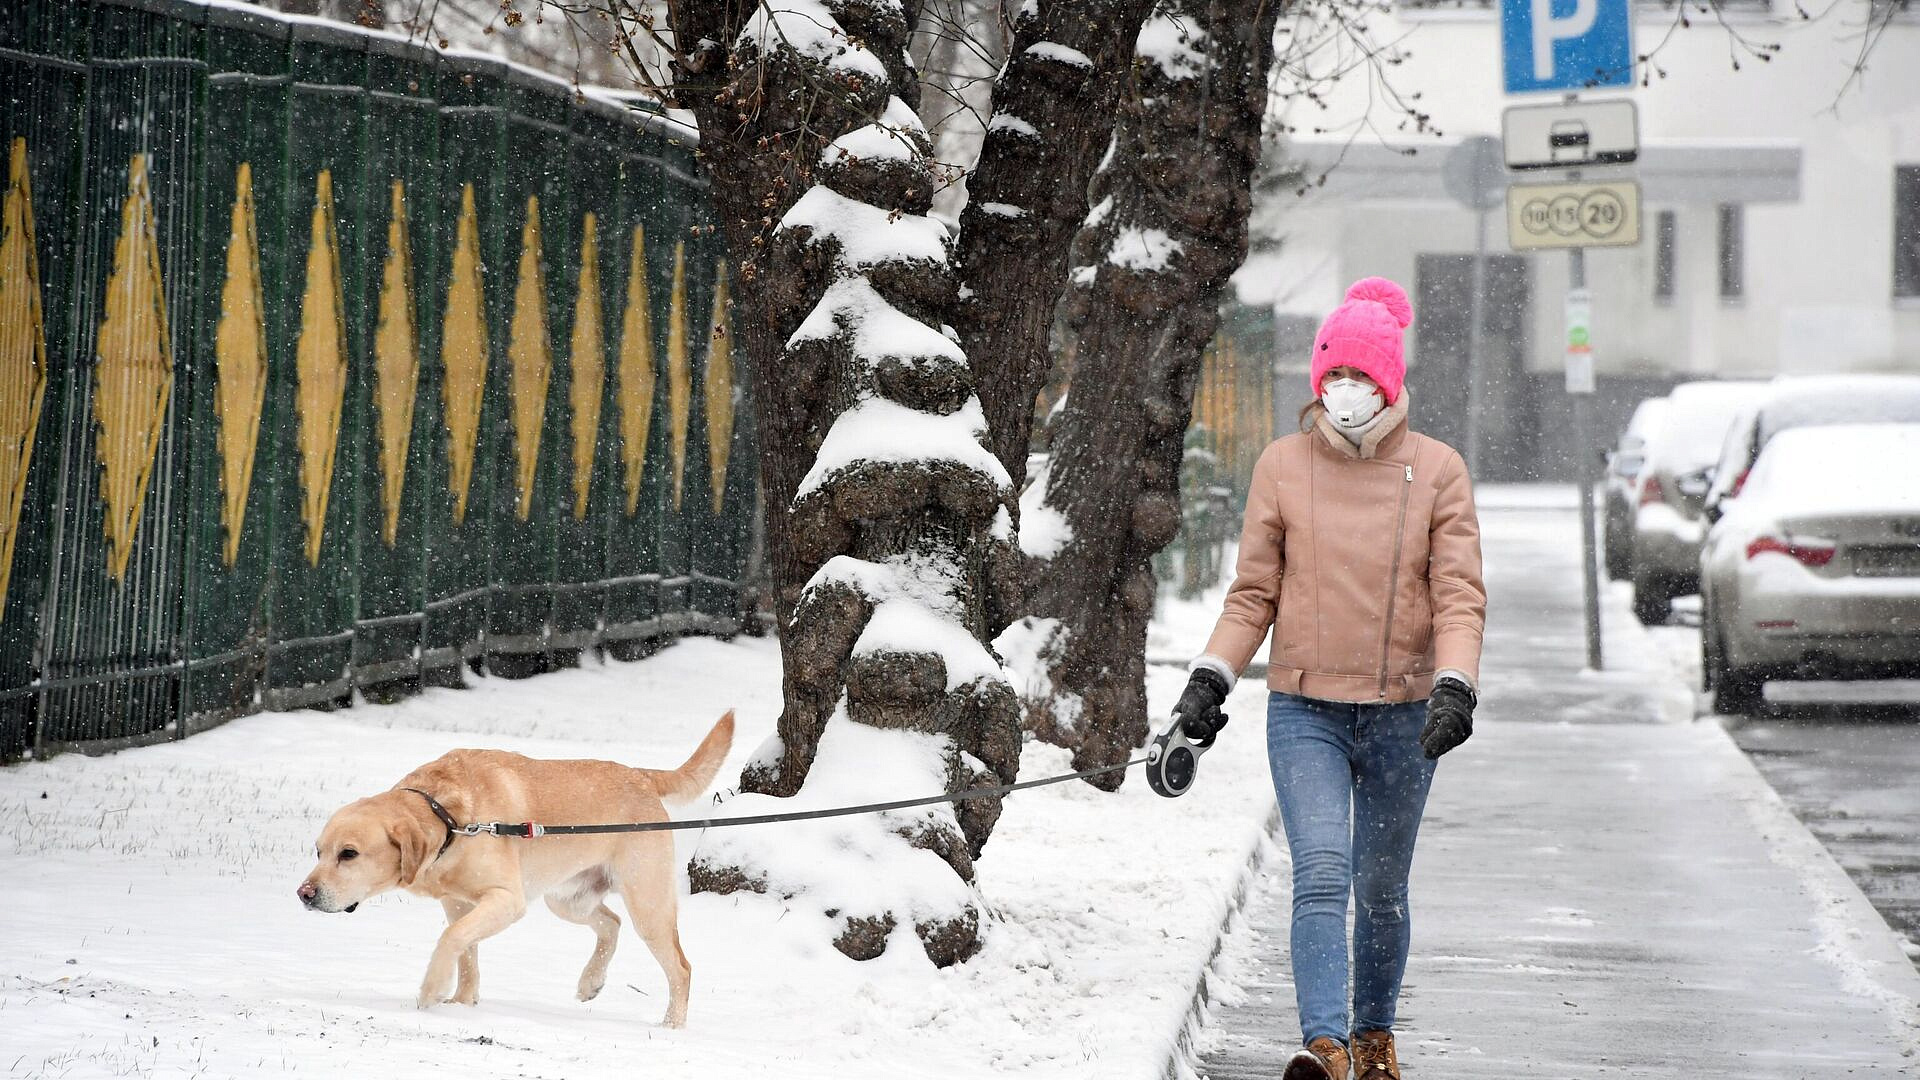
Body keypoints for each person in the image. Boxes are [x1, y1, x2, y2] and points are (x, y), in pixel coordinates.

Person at [1174, 277, 1486, 1080]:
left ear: (1389, 381)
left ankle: (1374, 1036)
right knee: (1319, 872)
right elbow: (1253, 594)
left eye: (1360, 376)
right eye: (1332, 375)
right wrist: (1209, 681)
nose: (1344, 391)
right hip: (1305, 708)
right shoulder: (1282, 467)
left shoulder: (1438, 471)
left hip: (1403, 715)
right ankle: (1325, 1045)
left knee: (1380, 888)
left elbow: (1458, 595)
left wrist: (1455, 684)